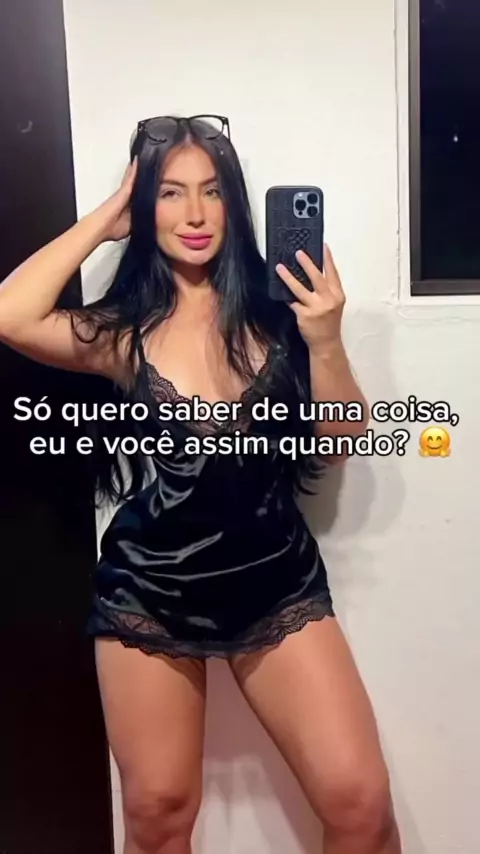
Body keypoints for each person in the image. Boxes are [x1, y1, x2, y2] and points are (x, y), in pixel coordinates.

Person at [0, 114, 402, 854]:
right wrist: (107, 218)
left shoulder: (285, 310)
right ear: (145, 206)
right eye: (171, 193)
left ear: (233, 203)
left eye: (211, 191)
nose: (193, 213)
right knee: (158, 814)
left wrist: (324, 338)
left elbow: (343, 444)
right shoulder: (123, 331)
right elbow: (10, 314)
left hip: (276, 582)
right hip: (149, 590)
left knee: (360, 804)